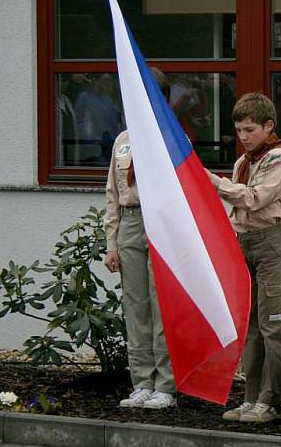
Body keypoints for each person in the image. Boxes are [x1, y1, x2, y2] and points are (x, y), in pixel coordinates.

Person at [206, 92, 281, 424]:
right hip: (244, 241)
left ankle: (272, 400)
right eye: (239, 130)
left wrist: (213, 183)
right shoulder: (243, 162)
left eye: (249, 130)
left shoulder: (277, 159)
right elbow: (239, 205)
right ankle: (252, 398)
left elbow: (255, 198)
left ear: (268, 126)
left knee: (272, 324)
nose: (243, 137)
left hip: (271, 243)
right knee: (250, 327)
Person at [103, 67, 176, 410]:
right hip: (131, 222)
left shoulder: (171, 137)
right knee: (136, 306)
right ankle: (142, 382)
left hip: (161, 222)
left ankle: (166, 385)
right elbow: (112, 194)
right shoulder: (123, 141)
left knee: (161, 305)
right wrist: (111, 243)